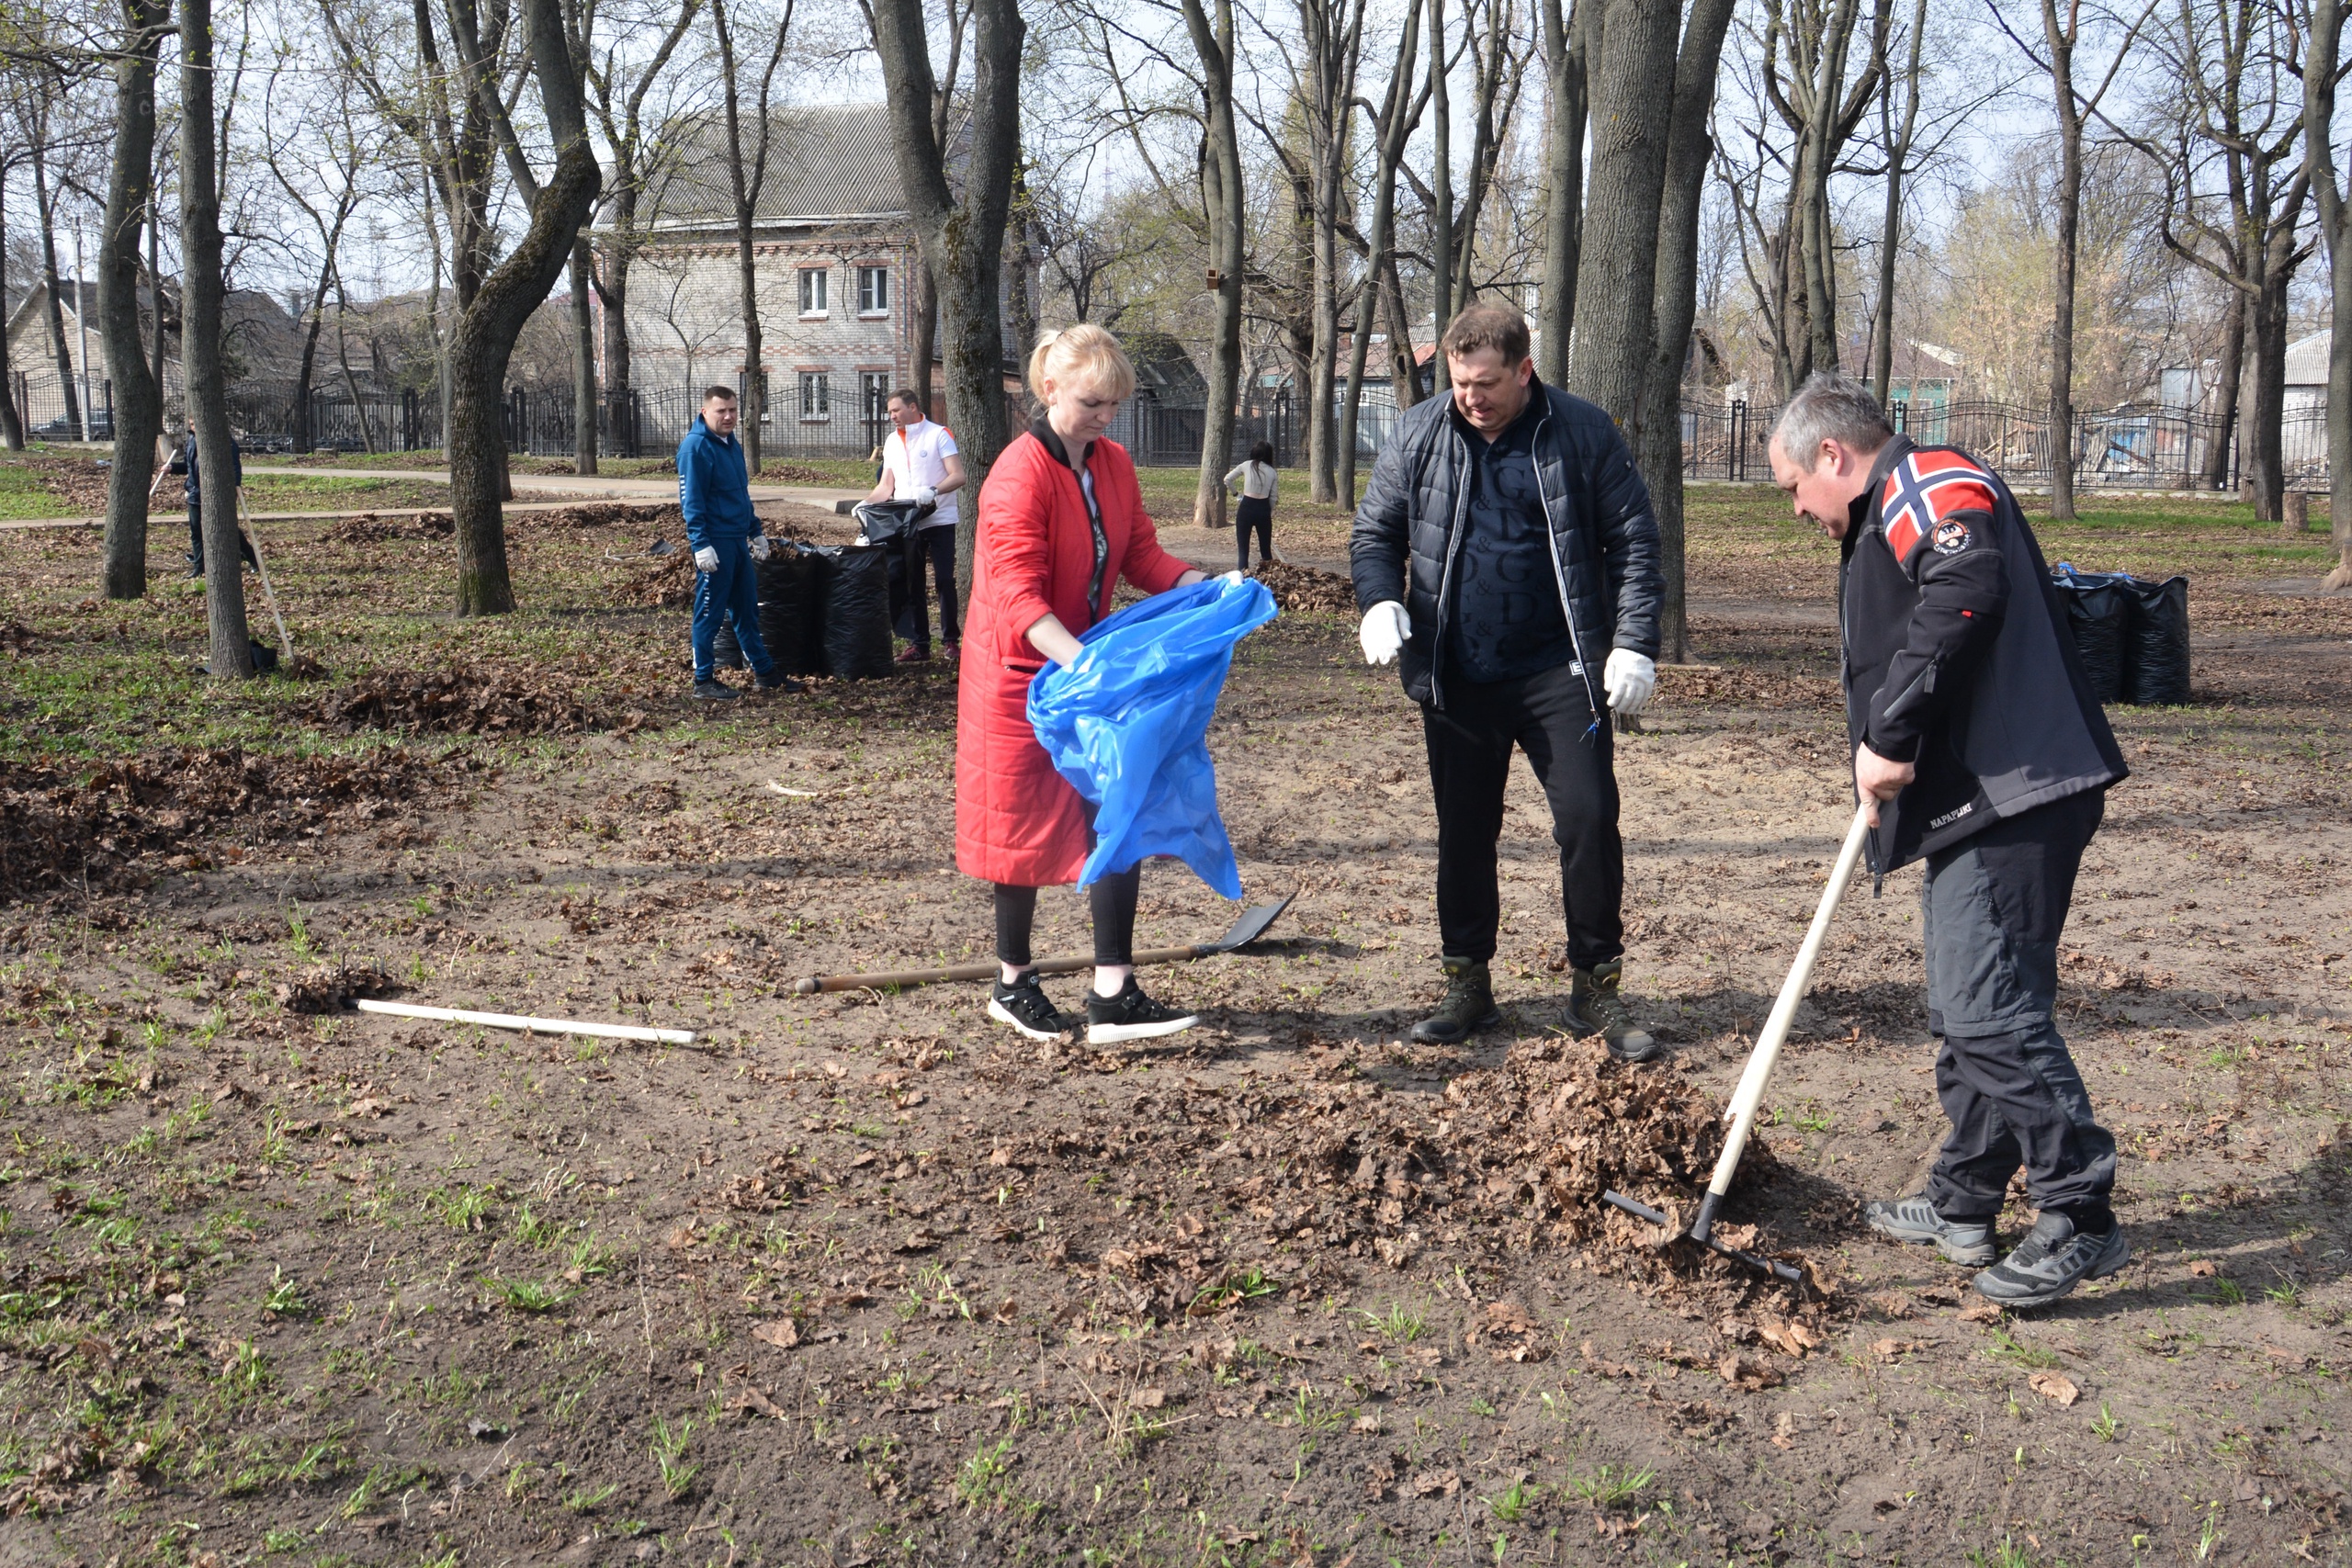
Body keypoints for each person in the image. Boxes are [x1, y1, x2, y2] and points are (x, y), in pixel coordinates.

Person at [1765, 371, 2131, 1308]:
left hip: (2019, 795)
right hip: (1982, 799)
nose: (1796, 510)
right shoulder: (1890, 501)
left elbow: (1967, 580)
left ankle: (2079, 1212)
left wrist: (1888, 736)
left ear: (1831, 456)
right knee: (1970, 1011)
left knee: (1986, 1012)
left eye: (1792, 488)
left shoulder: (1923, 478)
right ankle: (1963, 1198)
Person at [1350, 304, 1664, 1059]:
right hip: (1459, 673)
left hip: (1561, 671)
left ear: (1525, 370)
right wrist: (1380, 598)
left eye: (1486, 383)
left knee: (1588, 821)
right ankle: (1467, 982)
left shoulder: (1582, 432)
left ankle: (1597, 988)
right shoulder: (1423, 431)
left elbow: (1635, 541)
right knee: (1464, 833)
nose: (1471, 397)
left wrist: (1633, 645)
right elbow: (1375, 532)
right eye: (1459, 382)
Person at [957, 325, 1214, 1044]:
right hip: (1017, 673)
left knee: (1118, 813)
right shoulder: (1017, 474)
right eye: (1093, 402)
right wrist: (1084, 664)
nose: (1106, 416)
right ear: (1050, 391)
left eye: (1114, 404)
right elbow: (1016, 595)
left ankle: (1113, 990)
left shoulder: (1114, 464)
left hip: (1083, 666)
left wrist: (1207, 588)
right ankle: (1011, 983)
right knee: (1021, 826)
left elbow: (1140, 554)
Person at [677, 386, 796, 699]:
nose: (729, 416)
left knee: (746, 610)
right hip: (716, 544)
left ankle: (765, 672)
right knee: (709, 614)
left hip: (738, 542)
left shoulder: (730, 443)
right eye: (721, 411)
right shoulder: (695, 448)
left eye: (732, 410)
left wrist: (755, 529)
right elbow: (692, 502)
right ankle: (703, 681)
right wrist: (700, 544)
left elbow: (739, 494)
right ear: (705, 412)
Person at [865, 389, 966, 663]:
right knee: (913, 583)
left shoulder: (938, 435)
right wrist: (866, 504)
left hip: (940, 519)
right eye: (889, 412)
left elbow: (958, 476)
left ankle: (950, 641)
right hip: (908, 523)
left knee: (945, 580)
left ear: (912, 407)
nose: (892, 416)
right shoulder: (891, 442)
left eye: (896, 410)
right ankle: (919, 643)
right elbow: (886, 486)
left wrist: (933, 490)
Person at [182, 429, 257, 579]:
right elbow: (188, 467)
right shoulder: (192, 442)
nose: (193, 428)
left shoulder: (225, 442)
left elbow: (235, 468)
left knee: (228, 529)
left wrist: (233, 489)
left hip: (217, 494)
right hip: (195, 493)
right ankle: (199, 566)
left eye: (195, 424)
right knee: (196, 531)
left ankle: (252, 558)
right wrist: (171, 468)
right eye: (191, 424)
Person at [1224, 440, 1280, 572]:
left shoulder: (1246, 465)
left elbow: (1227, 479)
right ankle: (1269, 580)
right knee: (1266, 551)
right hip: (1263, 508)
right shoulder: (1272, 472)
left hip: (1246, 507)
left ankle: (1243, 577)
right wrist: (1267, 511)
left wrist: (1236, 494)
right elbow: (1273, 497)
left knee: (1243, 551)